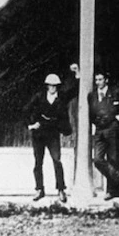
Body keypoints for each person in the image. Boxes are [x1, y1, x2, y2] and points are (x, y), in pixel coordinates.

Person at [26, 69, 78, 203]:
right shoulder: (39, 97)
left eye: (55, 86)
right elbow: (25, 110)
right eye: (50, 85)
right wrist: (31, 125)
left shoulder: (61, 97)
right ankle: (39, 189)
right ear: (47, 86)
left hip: (53, 133)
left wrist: (77, 74)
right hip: (39, 134)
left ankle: (61, 189)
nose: (52, 88)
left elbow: (75, 91)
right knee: (38, 162)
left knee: (57, 160)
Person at [88, 70, 119, 201]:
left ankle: (111, 191)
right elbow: (91, 114)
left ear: (106, 80)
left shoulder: (116, 93)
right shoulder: (92, 96)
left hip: (112, 129)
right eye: (96, 80)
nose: (98, 82)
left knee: (112, 159)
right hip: (99, 129)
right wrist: (94, 124)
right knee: (98, 160)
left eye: (100, 79)